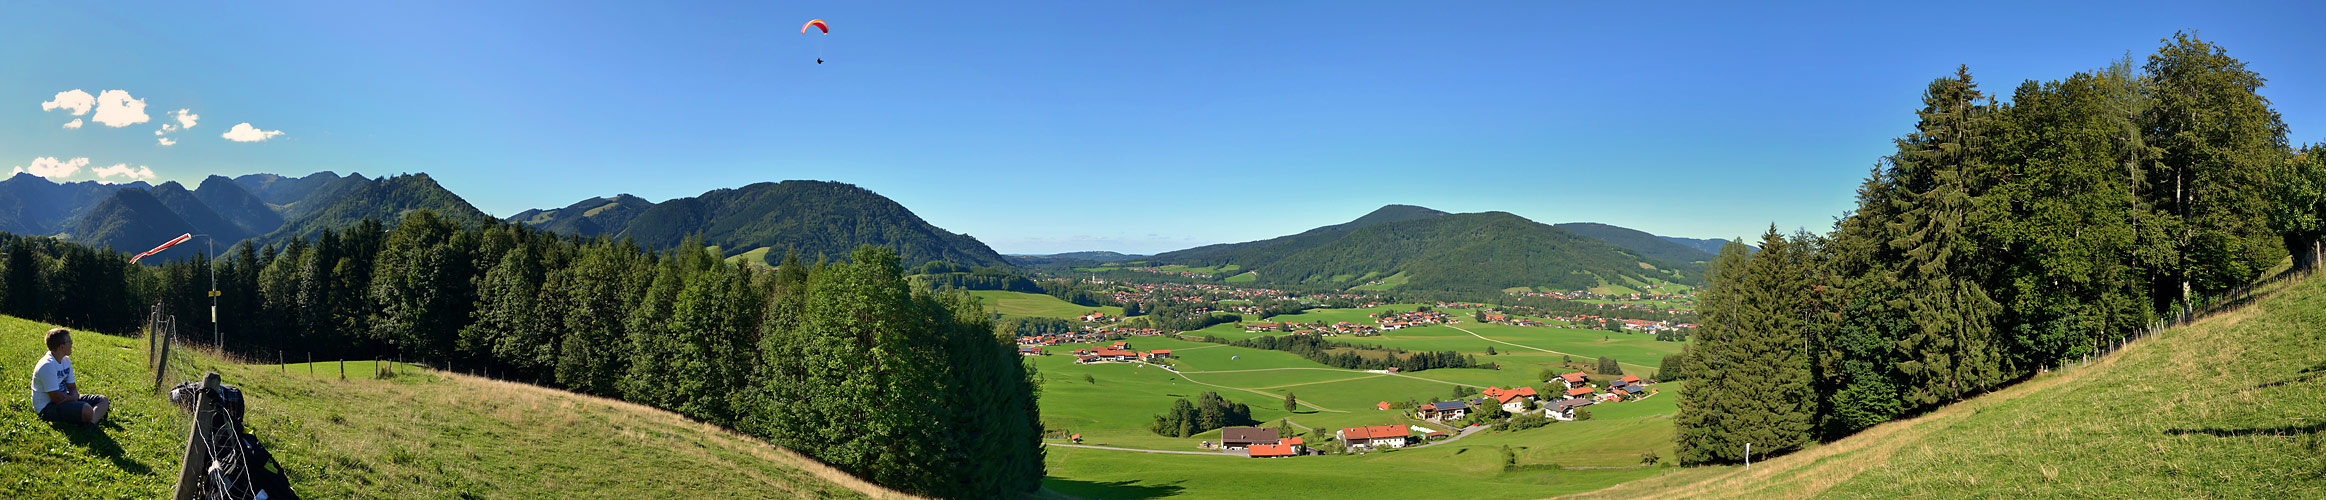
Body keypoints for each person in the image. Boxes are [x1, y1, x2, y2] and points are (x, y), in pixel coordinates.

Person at [30, 328, 108, 425]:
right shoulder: (47, 365)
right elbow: (56, 398)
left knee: (103, 400)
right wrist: (74, 399)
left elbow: (72, 386)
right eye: (69, 341)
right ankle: (93, 417)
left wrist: (74, 397)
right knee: (87, 409)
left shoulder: (65, 360)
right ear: (61, 347)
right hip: (48, 407)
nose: (72, 344)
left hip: (65, 397)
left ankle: (90, 423)